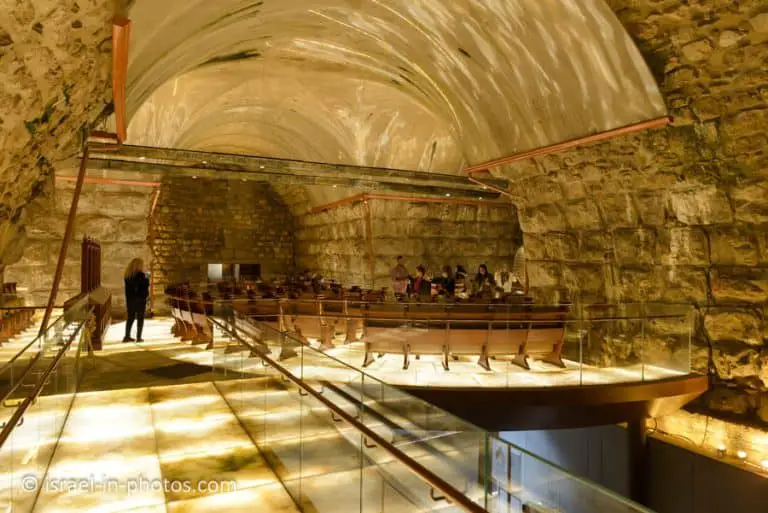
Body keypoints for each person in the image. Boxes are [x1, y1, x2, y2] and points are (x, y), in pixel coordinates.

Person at [123, 258, 150, 342]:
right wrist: (147, 278)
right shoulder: (141, 275)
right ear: (139, 265)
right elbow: (144, 287)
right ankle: (139, 337)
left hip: (130, 300)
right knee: (140, 318)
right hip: (140, 300)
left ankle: (127, 336)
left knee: (130, 318)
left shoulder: (127, 275)